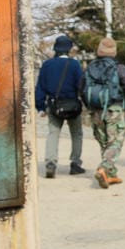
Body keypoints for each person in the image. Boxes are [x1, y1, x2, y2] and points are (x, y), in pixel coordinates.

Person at [85, 36, 125, 189]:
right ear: (113, 52)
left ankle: (111, 174)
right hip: (113, 108)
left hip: (95, 109)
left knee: (104, 141)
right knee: (116, 141)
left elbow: (81, 88)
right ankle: (104, 167)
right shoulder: (119, 67)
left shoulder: (90, 67)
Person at [34, 35, 85, 178]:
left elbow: (40, 87)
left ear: (56, 48)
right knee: (76, 134)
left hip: (54, 105)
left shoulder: (47, 65)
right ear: (69, 49)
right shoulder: (74, 65)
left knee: (53, 134)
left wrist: (41, 107)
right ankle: (75, 163)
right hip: (72, 105)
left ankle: (51, 162)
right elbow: (81, 86)